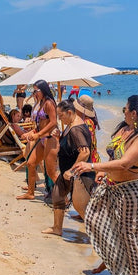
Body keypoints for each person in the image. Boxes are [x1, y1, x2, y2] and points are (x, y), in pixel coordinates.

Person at [72, 95, 138, 275]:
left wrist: (92, 166)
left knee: (130, 234)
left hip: (131, 190)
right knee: (97, 219)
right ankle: (112, 258)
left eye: (125, 109)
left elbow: (124, 164)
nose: (123, 112)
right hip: (112, 185)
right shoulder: (124, 128)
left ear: (134, 113)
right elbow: (114, 153)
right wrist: (103, 171)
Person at [42, 99, 95, 236]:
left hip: (79, 175)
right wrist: (60, 137)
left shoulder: (76, 129)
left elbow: (85, 152)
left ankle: (98, 236)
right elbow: (71, 147)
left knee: (82, 208)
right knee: (58, 195)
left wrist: (72, 171)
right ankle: (57, 228)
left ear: (69, 112)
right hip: (68, 172)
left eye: (61, 116)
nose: (59, 119)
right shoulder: (70, 124)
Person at [17, 79, 59, 200]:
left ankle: (65, 198)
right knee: (30, 163)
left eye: (36, 90)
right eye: (34, 90)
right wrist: (32, 132)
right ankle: (30, 193)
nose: (34, 93)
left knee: (51, 172)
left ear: (43, 90)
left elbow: (53, 122)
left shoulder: (49, 103)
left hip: (50, 139)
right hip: (42, 138)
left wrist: (38, 134)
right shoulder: (41, 103)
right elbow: (40, 123)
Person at [73, 94, 100, 163]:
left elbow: (86, 148)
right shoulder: (88, 121)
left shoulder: (86, 123)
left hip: (89, 162)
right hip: (92, 159)